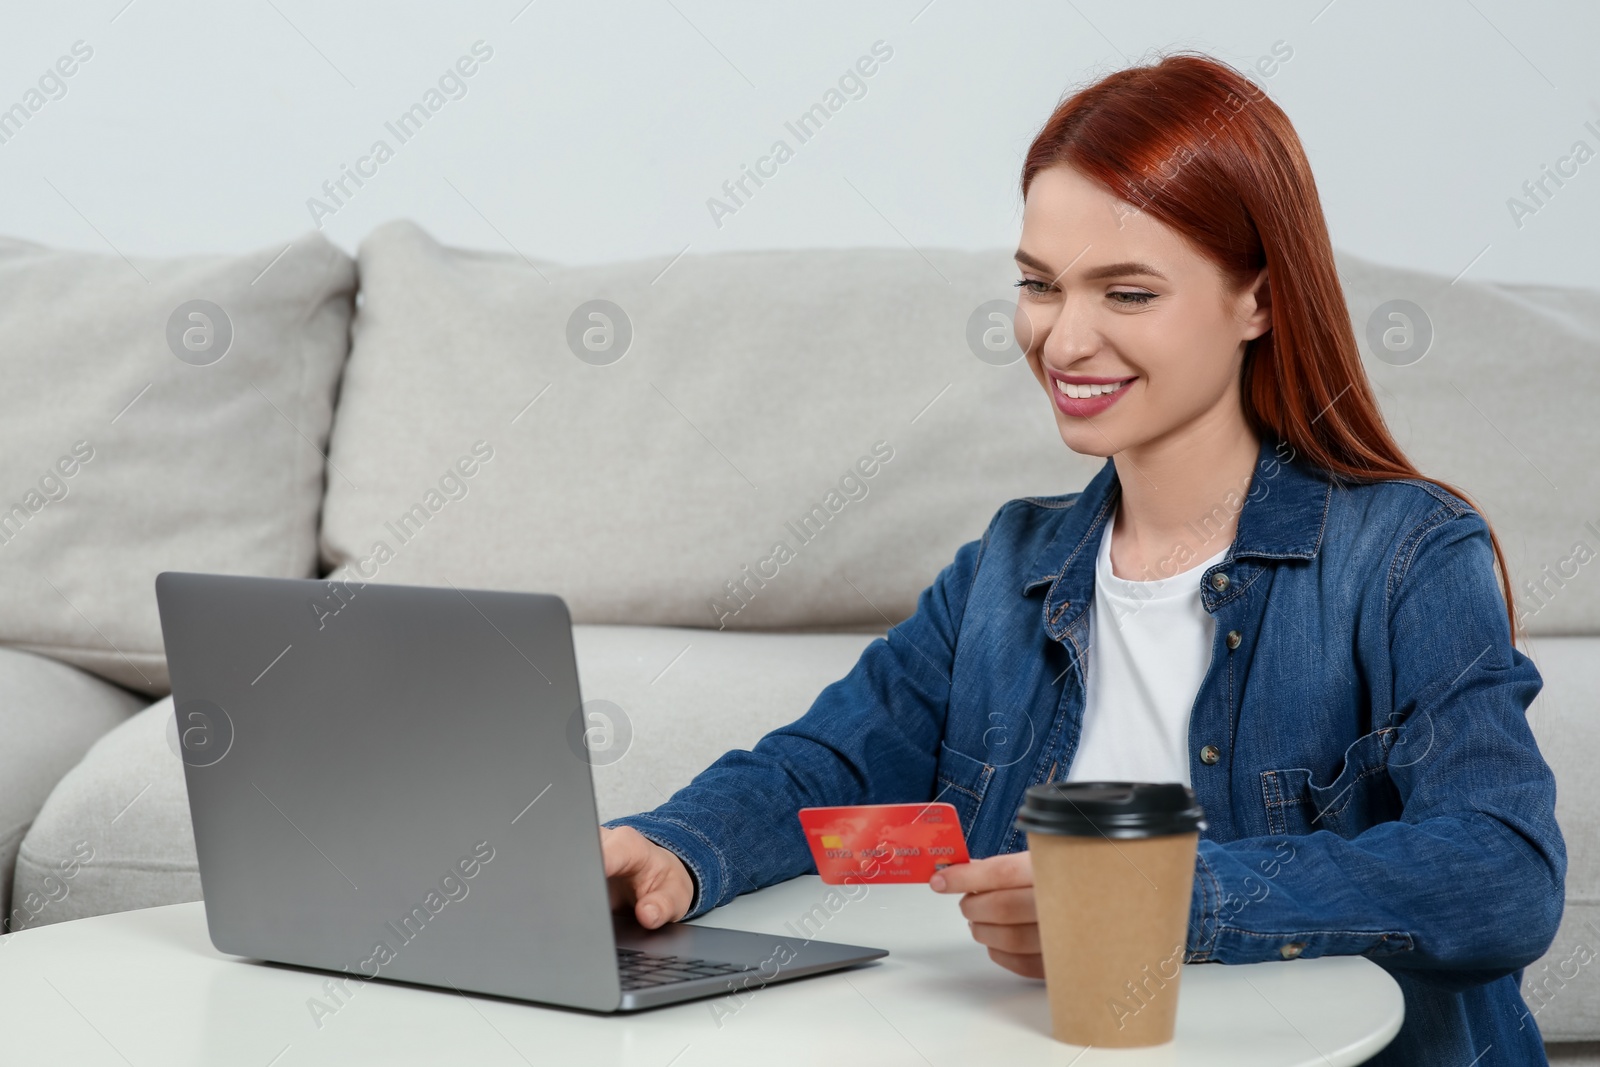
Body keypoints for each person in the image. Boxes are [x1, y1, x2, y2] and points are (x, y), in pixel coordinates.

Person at [599, 51, 1564, 1064]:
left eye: (1128, 292)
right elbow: (825, 767)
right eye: (1038, 284)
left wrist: (1149, 900)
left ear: (1259, 302)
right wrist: (673, 846)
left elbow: (1502, 867)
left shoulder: (1407, 554)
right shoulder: (1008, 570)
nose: (1063, 339)